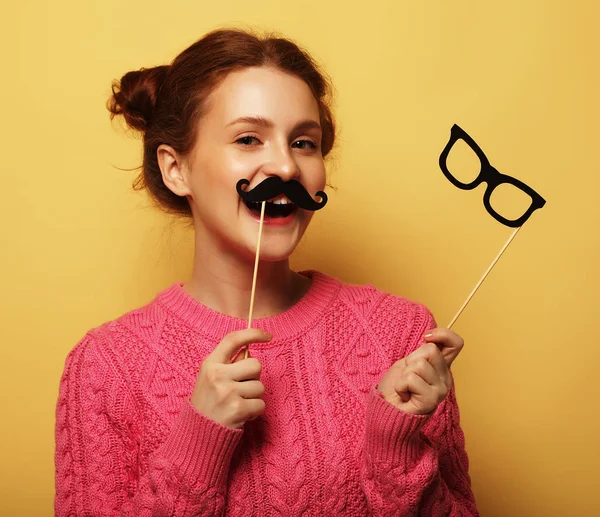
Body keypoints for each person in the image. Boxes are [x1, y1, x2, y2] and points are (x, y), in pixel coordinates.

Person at [54, 28, 479, 516]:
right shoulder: (106, 367)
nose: (285, 166)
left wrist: (397, 448)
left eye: (303, 142)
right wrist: (199, 443)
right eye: (249, 138)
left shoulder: (401, 335)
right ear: (176, 169)